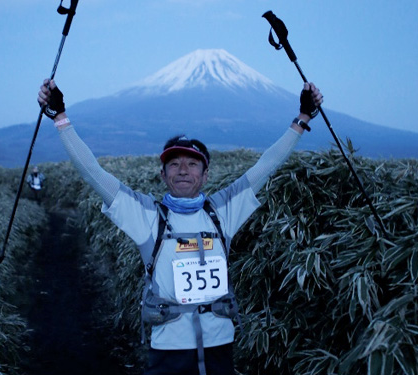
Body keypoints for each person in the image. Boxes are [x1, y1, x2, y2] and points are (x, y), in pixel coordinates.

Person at [37, 78, 323, 375]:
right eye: (174, 164)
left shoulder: (222, 211)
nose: (183, 170)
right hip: (168, 350)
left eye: (193, 163)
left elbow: (267, 165)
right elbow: (92, 172)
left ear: (206, 174)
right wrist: (60, 117)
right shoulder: (147, 216)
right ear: (162, 175)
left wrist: (302, 118)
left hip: (220, 346)